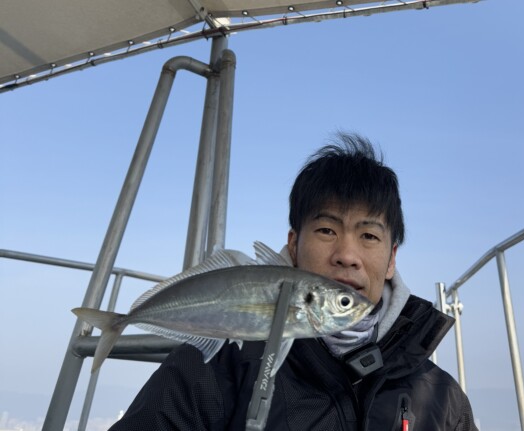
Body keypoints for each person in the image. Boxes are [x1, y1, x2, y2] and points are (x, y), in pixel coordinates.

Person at [109, 132, 478, 430]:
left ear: (391, 259)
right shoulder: (215, 369)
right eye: (326, 229)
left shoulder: (442, 399)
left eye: (368, 236)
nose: (347, 255)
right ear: (294, 244)